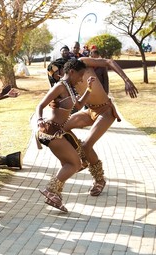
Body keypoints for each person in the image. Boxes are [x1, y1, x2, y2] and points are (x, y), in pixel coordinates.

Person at [63, 57, 138, 197]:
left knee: (86, 145)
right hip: (90, 111)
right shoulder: (67, 80)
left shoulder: (83, 62)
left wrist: (126, 80)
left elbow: (109, 62)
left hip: (106, 111)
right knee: (61, 127)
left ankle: (99, 179)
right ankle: (81, 157)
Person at [35, 59, 95, 212]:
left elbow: (79, 106)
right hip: (49, 132)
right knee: (74, 164)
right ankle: (50, 191)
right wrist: (39, 119)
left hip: (59, 132)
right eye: (80, 75)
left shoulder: (71, 88)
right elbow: (40, 105)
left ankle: (55, 195)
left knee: (71, 164)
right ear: (72, 72)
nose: (81, 79)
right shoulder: (60, 86)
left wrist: (88, 89)